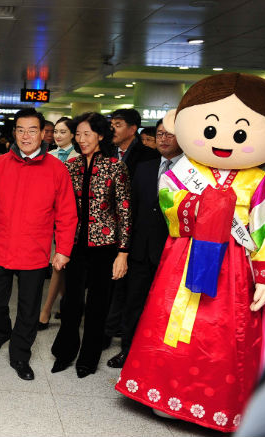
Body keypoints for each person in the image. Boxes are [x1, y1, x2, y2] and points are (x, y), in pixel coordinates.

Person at [116, 73, 265, 432]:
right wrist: (203, 208)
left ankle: (214, 404)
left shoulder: (258, 181)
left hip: (235, 266)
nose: (223, 141)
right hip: (185, 256)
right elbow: (168, 204)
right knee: (172, 325)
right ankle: (163, 395)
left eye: (240, 134)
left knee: (222, 335)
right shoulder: (187, 169)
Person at [0, 108, 78, 380]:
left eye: (32, 130)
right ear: (14, 132)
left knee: (28, 309)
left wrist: (62, 250)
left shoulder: (57, 169)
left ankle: (20, 354)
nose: (26, 135)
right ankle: (0, 332)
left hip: (35, 253)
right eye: (20, 129)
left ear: (42, 134)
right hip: (1, 247)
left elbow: (66, 214)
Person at [51, 111, 131, 378]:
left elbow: (124, 212)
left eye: (87, 134)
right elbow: (61, 209)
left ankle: (88, 358)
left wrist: (123, 252)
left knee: (98, 305)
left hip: (104, 246)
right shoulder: (69, 167)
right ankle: (64, 352)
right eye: (78, 134)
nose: (81, 139)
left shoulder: (114, 167)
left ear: (99, 135)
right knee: (71, 302)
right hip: (75, 245)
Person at [105, 119, 183, 369]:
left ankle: (158, 358)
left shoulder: (193, 172)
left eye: (170, 134)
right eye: (159, 134)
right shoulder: (145, 167)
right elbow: (132, 209)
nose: (163, 139)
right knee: (133, 304)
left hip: (172, 252)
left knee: (165, 309)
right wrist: (124, 249)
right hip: (140, 250)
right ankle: (128, 353)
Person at [103, 108, 158, 348]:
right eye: (111, 123)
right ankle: (105, 329)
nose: (112, 128)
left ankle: (122, 333)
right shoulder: (105, 151)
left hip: (133, 231)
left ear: (132, 129)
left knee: (127, 285)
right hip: (105, 229)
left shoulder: (147, 157)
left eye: (118, 124)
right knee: (106, 283)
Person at [38, 116, 80, 329]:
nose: (57, 135)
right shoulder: (48, 156)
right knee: (61, 265)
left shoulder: (79, 157)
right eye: (55, 131)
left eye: (63, 132)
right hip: (47, 217)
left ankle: (45, 311)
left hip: (69, 219)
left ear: (73, 135)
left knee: (58, 264)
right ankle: (67, 305)